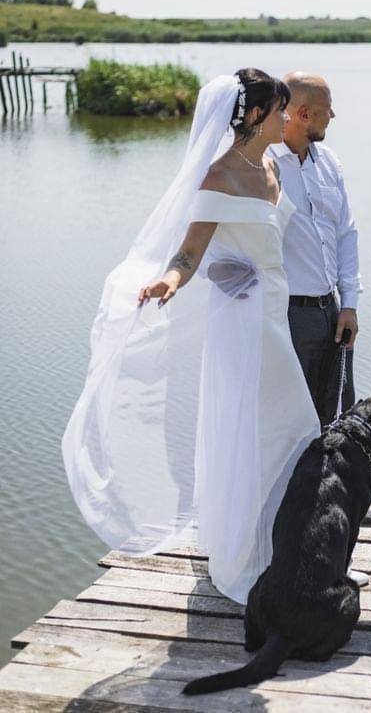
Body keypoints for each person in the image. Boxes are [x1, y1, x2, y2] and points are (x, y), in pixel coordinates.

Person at [62, 69, 320, 604]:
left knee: (292, 432)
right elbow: (189, 253)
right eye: (279, 109)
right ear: (255, 115)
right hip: (242, 326)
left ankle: (289, 551)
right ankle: (245, 558)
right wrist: (170, 281)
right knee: (257, 434)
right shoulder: (219, 176)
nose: (286, 117)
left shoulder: (271, 163)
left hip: (274, 315)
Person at [268, 71, 371, 530]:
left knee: (338, 410)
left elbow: (346, 234)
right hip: (286, 314)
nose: (332, 116)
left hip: (331, 310)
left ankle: (339, 502)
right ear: (301, 114)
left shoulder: (329, 162)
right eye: (324, 110)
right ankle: (287, 516)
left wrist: (350, 303)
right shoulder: (266, 165)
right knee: (290, 418)